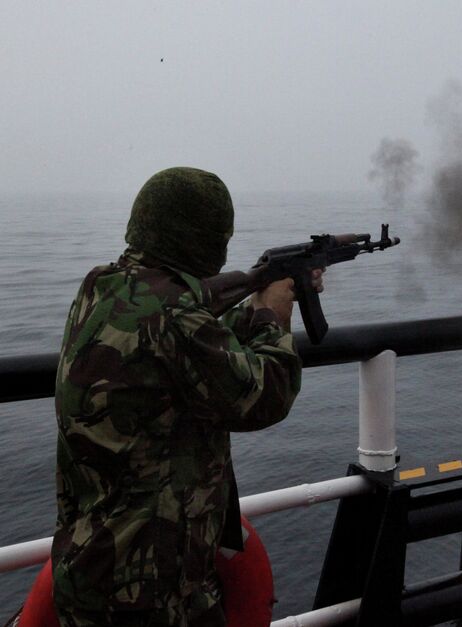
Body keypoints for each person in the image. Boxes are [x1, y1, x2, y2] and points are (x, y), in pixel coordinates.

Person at [52, 167, 320, 626]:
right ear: (207, 240)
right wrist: (272, 316)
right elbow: (266, 395)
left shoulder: (99, 285)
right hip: (151, 590)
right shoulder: (177, 315)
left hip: (93, 563)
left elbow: (184, 347)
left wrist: (253, 308)